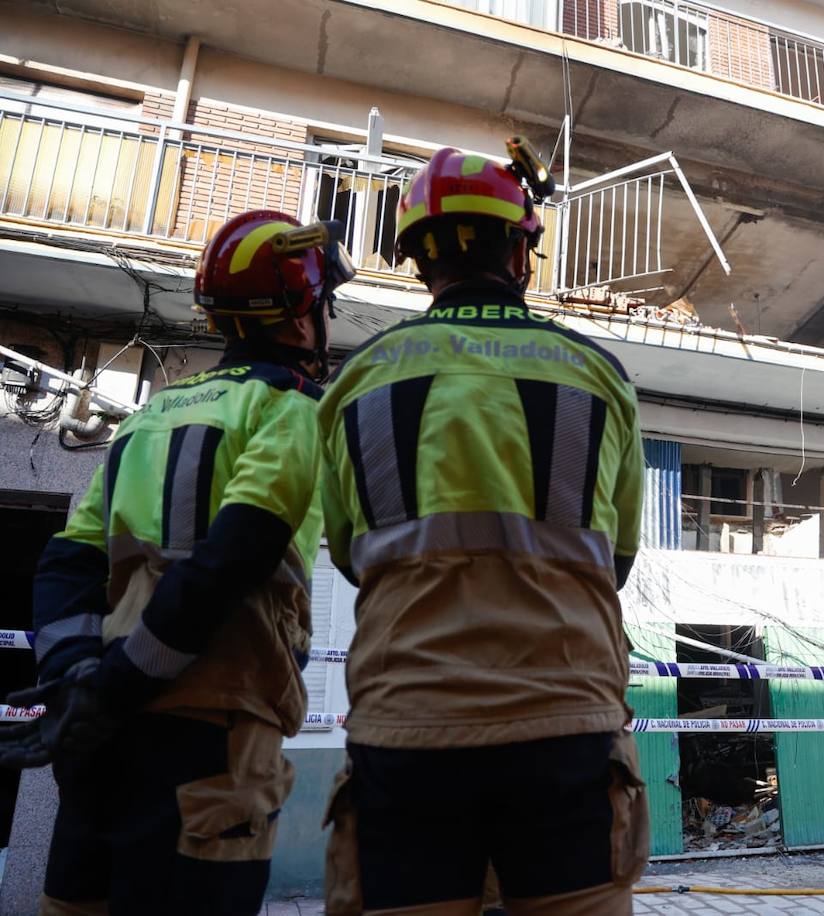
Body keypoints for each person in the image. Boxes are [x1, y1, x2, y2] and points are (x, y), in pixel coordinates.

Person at [317, 140, 648, 915]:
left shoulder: (360, 378)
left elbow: (349, 555)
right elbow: (618, 558)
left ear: (418, 258)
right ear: (520, 248)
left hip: (406, 727)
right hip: (566, 723)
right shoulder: (596, 373)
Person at [0, 210, 352, 915]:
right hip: (211, 733)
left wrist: (75, 681)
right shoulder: (292, 411)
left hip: (98, 737)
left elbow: (67, 561)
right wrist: (117, 688)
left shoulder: (148, 417)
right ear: (301, 317)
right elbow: (232, 558)